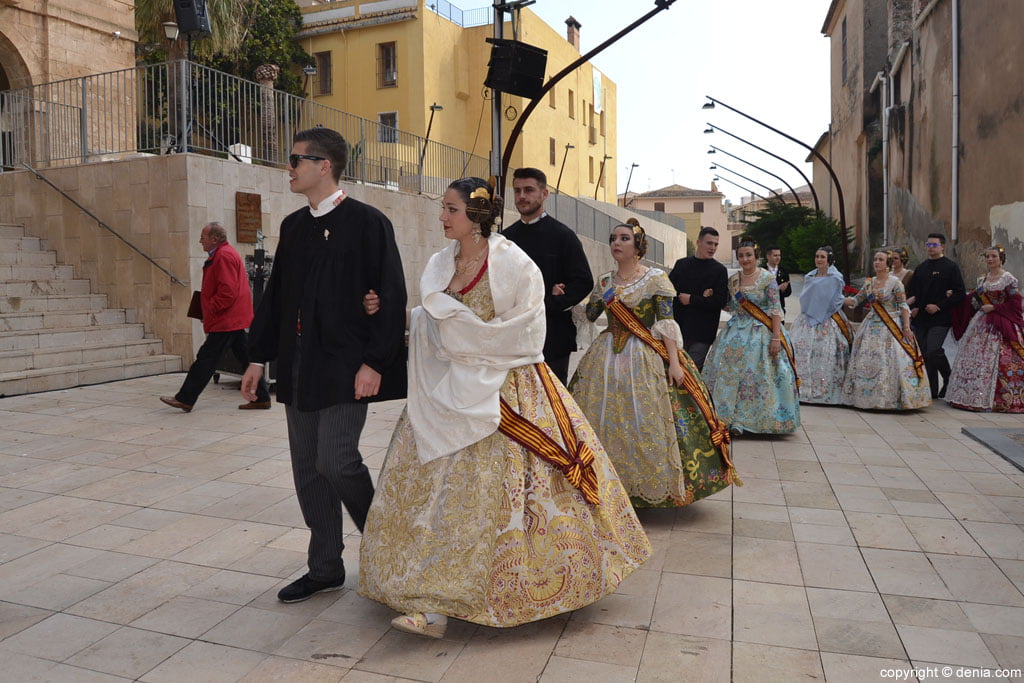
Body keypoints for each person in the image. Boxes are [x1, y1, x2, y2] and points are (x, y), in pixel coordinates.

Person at [358, 178, 650, 639]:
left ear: (474, 216)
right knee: (433, 494)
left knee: (497, 497)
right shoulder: (440, 262)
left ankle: (483, 592)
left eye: (450, 209)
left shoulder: (512, 261)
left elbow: (528, 326)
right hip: (447, 392)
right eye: (443, 209)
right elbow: (427, 316)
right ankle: (424, 593)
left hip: (508, 386)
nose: (442, 217)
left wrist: (471, 338)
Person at [242, 127, 407, 603]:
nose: (288, 168)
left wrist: (375, 362)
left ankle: (387, 542)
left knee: (336, 460)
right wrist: (258, 357)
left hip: (347, 367)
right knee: (307, 470)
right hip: (298, 366)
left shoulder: (368, 223)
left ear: (324, 166)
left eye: (296, 159)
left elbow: (391, 296)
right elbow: (276, 300)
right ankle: (325, 566)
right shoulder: (293, 227)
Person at [569, 219, 738, 508]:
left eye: (623, 238)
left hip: (645, 356)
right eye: (613, 238)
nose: (616, 243)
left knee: (645, 418)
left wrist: (674, 363)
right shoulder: (605, 281)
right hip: (606, 357)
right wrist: (577, 300)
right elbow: (591, 313)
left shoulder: (655, 279)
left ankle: (646, 486)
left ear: (638, 247)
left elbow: (666, 322)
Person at [160, 222, 271, 412]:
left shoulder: (223, 256)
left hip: (227, 320)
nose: (200, 241)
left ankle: (185, 398)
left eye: (203, 237)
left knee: (206, 359)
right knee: (245, 357)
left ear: (214, 239)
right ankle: (261, 397)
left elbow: (227, 292)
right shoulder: (223, 254)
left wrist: (210, 309)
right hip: (232, 319)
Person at [502, 167, 594, 384]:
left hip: (553, 338)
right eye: (517, 191)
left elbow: (583, 281)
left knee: (552, 407)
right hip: (513, 338)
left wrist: (550, 303)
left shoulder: (564, 236)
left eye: (529, 190)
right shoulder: (506, 239)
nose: (522, 196)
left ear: (544, 194)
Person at [702, 240, 800, 434]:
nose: (745, 259)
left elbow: (775, 308)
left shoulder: (766, 278)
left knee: (757, 376)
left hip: (761, 333)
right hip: (735, 331)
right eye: (741, 256)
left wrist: (775, 338)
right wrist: (713, 297)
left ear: (757, 256)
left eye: (748, 255)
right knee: (729, 375)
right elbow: (732, 307)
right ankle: (731, 418)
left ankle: (758, 420)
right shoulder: (734, 281)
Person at [841, 250, 931, 410]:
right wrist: (838, 297)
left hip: (891, 325)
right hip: (871, 325)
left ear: (888, 263)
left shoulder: (895, 282)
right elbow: (856, 300)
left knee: (890, 361)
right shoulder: (870, 282)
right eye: (875, 259)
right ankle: (867, 398)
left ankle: (891, 399)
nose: (876, 262)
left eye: (880, 259)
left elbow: (903, 305)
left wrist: (906, 327)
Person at [946, 245, 1024, 412]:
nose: (990, 259)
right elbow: (974, 302)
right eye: (987, 256)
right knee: (974, 355)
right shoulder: (983, 279)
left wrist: (995, 309)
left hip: (1000, 324)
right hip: (981, 323)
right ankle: (969, 395)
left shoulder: (1007, 278)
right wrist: (956, 298)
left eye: (993, 256)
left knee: (1004, 359)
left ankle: (1001, 399)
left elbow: (1016, 303)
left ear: (1001, 259)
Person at [789, 246, 850, 405]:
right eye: (817, 256)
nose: (819, 259)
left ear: (829, 260)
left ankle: (823, 392)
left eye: (822, 257)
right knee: (802, 352)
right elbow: (805, 298)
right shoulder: (810, 276)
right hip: (807, 319)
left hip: (828, 320)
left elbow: (836, 299)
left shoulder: (835, 277)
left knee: (825, 354)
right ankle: (802, 390)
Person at [907, 232, 965, 398]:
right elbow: (914, 291)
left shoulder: (951, 267)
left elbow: (959, 293)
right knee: (924, 353)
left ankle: (948, 377)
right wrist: (915, 307)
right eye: (928, 245)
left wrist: (939, 306)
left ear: (942, 246)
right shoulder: (921, 268)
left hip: (941, 318)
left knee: (933, 349)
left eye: (934, 245)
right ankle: (931, 389)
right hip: (921, 318)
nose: (930, 248)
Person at [667, 226, 729, 371]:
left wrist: (693, 299)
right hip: (678, 330)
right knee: (674, 370)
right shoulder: (682, 265)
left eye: (716, 244)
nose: (712, 247)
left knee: (692, 372)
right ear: (698, 242)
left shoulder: (719, 270)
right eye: (709, 243)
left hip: (703, 333)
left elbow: (720, 301)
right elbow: (668, 292)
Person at [765, 245, 791, 317]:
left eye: (779, 255)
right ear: (768, 256)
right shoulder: (761, 270)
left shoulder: (784, 271)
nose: (778, 258)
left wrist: (783, 290)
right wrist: (777, 288)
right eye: (775, 255)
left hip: (779, 309)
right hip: (764, 309)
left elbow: (788, 293)